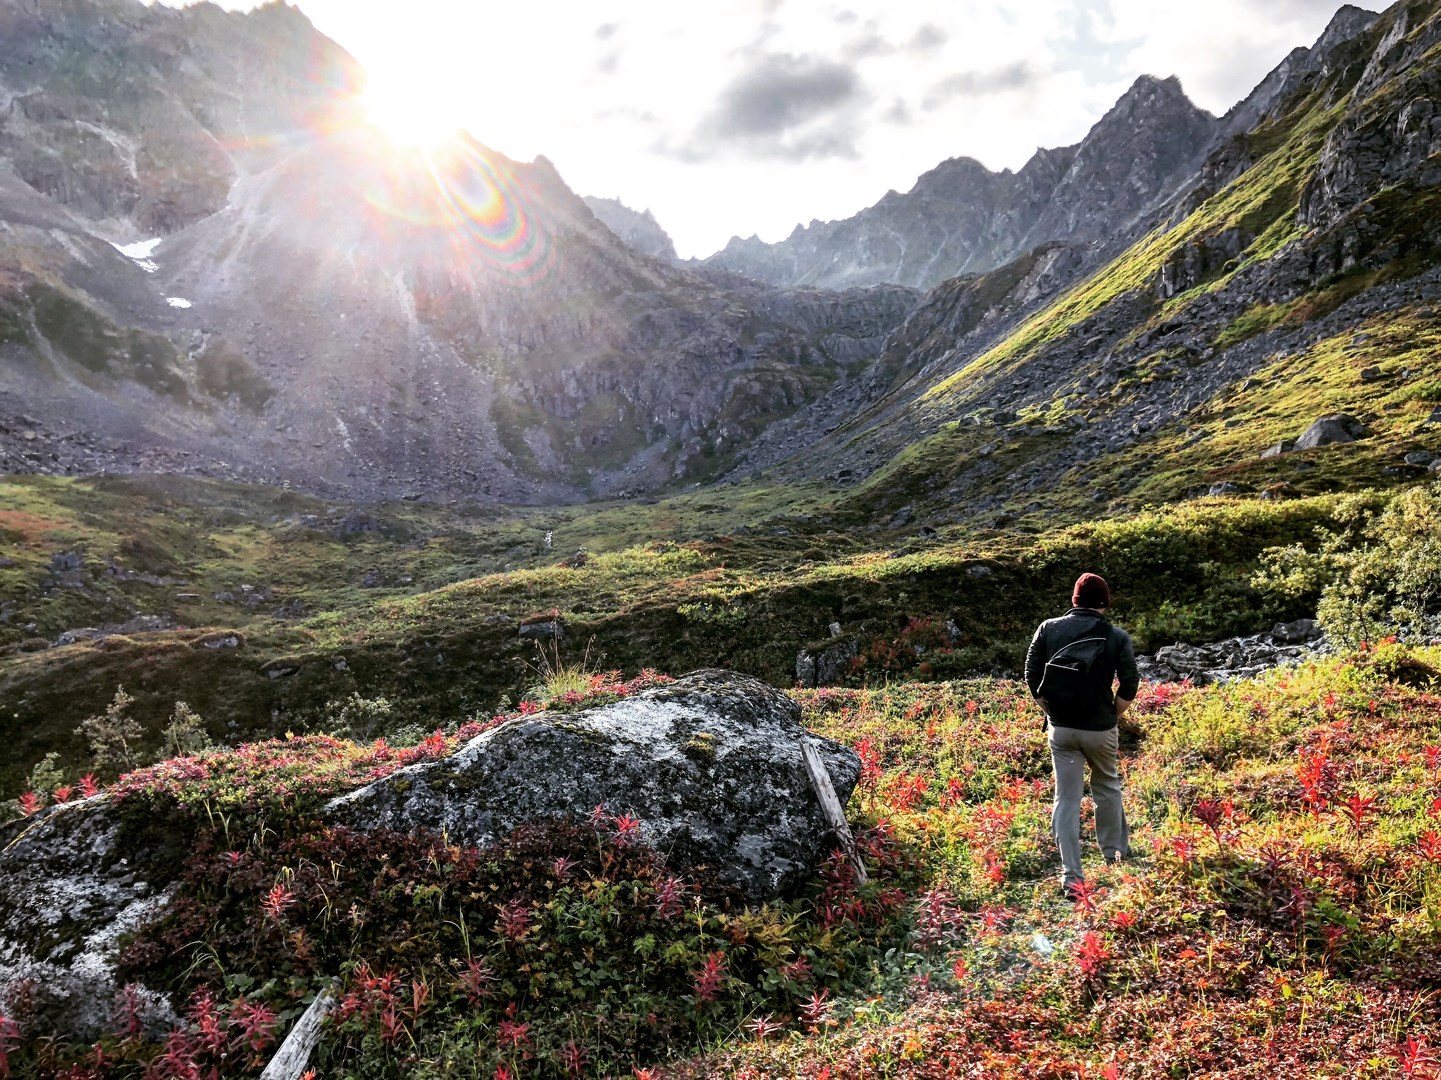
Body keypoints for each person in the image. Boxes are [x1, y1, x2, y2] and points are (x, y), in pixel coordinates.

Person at [1024, 572, 1139, 898]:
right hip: (1100, 729)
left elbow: (1031, 674)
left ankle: (1072, 877)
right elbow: (1130, 681)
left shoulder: (1048, 628)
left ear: (1075, 600)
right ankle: (1114, 855)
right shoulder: (1116, 636)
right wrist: (1113, 714)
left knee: (1067, 798)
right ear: (1104, 602)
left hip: (1061, 730)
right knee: (1106, 786)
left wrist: (1049, 711)